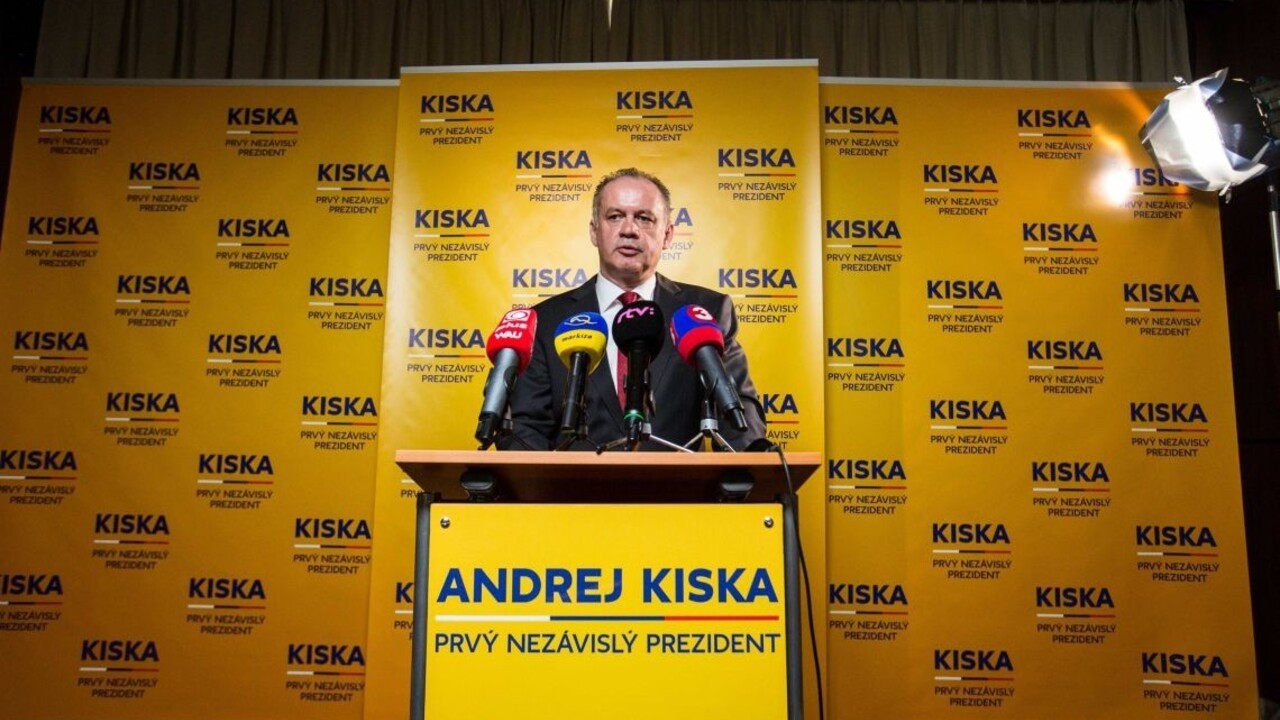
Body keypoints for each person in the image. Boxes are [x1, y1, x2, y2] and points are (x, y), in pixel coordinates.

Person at [499, 167, 767, 451]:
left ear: (667, 234)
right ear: (594, 231)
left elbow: (740, 417)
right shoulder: (546, 321)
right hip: (575, 481)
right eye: (615, 216)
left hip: (677, 480)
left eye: (644, 218)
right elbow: (524, 428)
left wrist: (748, 466)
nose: (629, 229)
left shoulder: (705, 312)